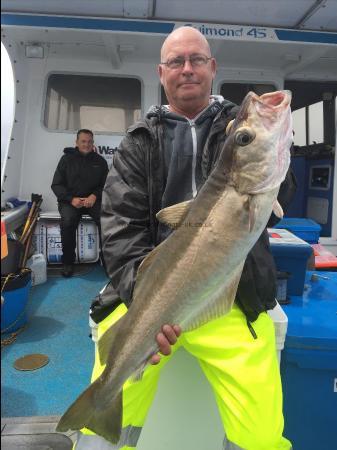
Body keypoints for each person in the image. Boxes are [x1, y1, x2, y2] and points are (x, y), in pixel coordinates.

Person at [77, 27, 296, 449]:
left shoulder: (235, 126)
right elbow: (120, 229)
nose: (187, 69)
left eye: (197, 59)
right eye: (176, 62)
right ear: (162, 73)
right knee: (107, 396)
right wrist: (147, 302)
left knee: (262, 428)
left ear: (213, 68)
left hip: (231, 295)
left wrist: (274, 150)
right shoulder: (137, 143)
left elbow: (277, 193)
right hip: (149, 294)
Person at [51, 129, 108, 277]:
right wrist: (71, 199)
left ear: (93, 143)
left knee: (107, 220)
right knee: (68, 221)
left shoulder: (100, 161)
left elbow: (106, 184)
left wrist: (94, 196)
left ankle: (107, 260)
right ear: (76, 142)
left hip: (92, 201)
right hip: (70, 201)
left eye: (89, 141)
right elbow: (56, 185)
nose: (86, 144)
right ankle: (68, 262)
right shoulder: (66, 159)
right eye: (83, 141)